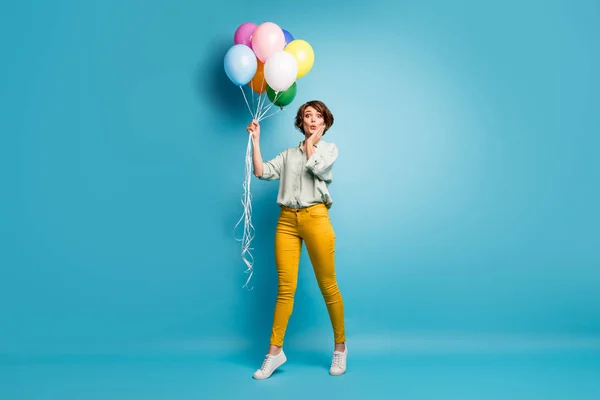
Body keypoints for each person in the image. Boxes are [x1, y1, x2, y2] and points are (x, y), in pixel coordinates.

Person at [246, 100, 347, 380]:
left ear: (325, 122)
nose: (312, 120)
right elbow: (261, 172)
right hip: (287, 221)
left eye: (317, 117)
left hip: (316, 218)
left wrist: (313, 141)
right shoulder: (289, 154)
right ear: (300, 123)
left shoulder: (329, 149)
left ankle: (340, 346)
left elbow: (317, 167)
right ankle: (274, 352)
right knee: (285, 289)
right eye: (306, 116)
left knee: (328, 286)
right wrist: (256, 141)